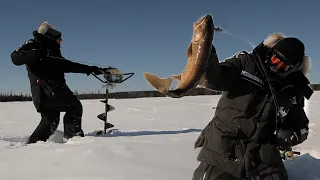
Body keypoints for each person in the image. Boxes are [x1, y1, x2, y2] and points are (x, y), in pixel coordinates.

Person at [192, 33, 313, 180]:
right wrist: (206, 54)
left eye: (284, 65)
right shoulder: (245, 63)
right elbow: (214, 80)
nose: (276, 66)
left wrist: (291, 135)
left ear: (293, 68)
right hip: (223, 146)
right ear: (270, 53)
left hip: (263, 153)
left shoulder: (292, 90)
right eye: (275, 59)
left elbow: (302, 127)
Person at [11, 21, 105, 144]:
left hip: (46, 94)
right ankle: (74, 139)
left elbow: (68, 65)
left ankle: (33, 145)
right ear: (49, 36)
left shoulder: (53, 52)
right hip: (47, 90)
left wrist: (91, 69)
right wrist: (37, 53)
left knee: (50, 119)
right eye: (58, 38)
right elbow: (15, 58)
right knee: (74, 107)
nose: (61, 41)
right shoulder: (33, 45)